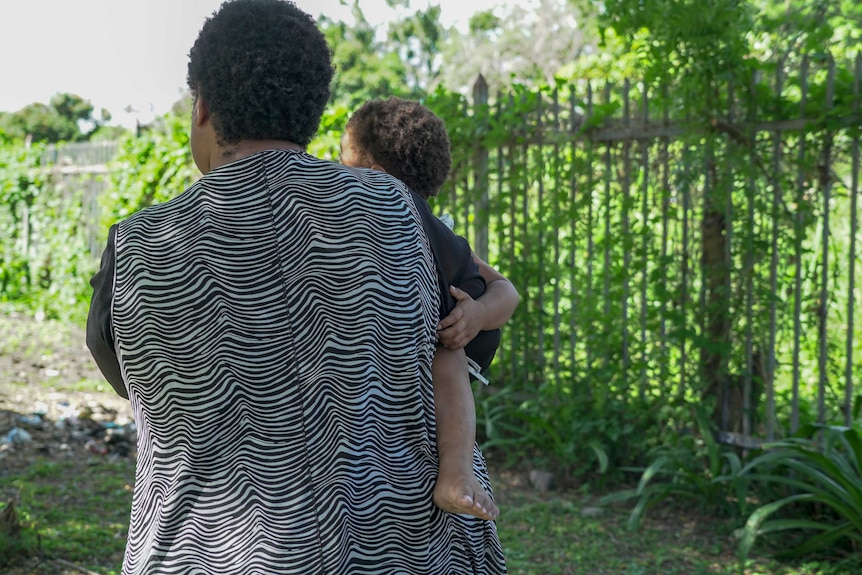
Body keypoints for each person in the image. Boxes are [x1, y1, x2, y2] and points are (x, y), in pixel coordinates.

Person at [85, 1, 507, 573]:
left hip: (201, 553)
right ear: (311, 112)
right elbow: (465, 334)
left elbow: (122, 371)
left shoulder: (137, 245)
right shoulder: (398, 210)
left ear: (204, 107)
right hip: (408, 550)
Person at [340, 97, 519, 523]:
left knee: (447, 361)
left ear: (376, 178)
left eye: (343, 159)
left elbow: (507, 292)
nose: (335, 169)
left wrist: (475, 315)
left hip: (450, 341)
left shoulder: (431, 231)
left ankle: (455, 472)